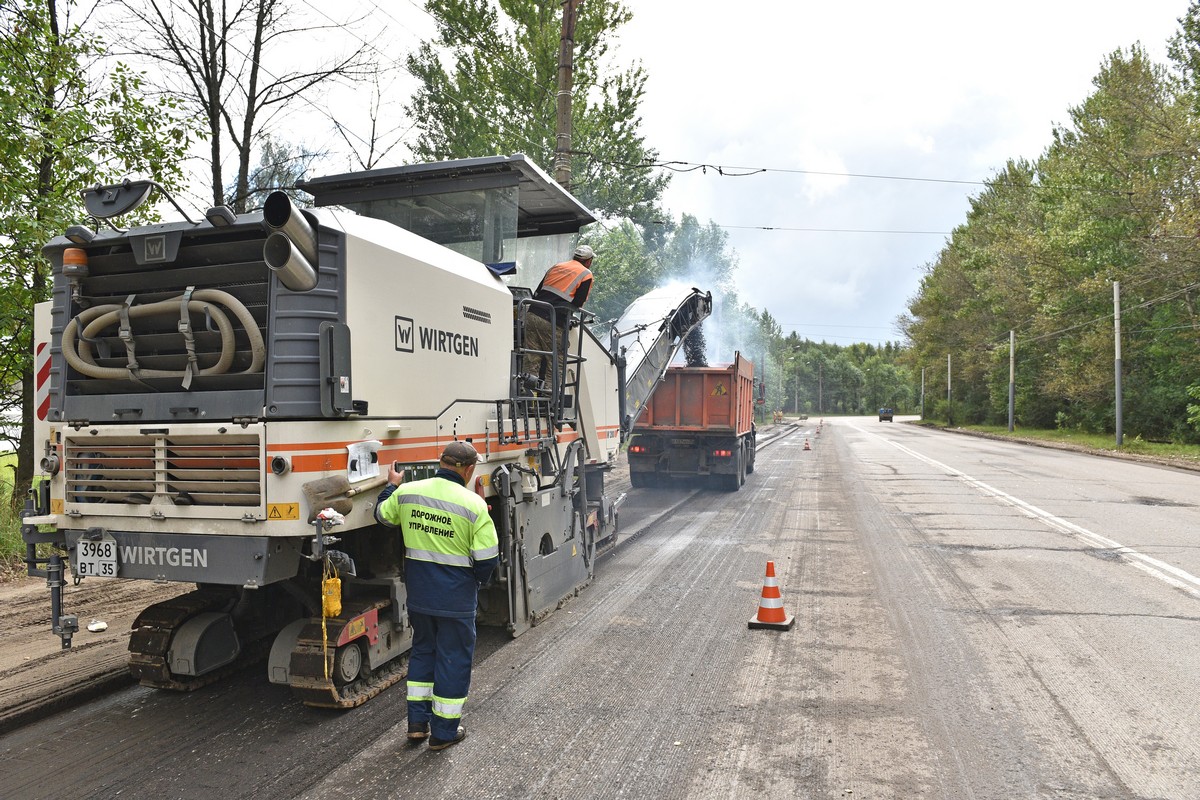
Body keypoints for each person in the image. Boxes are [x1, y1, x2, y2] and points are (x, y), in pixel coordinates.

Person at [373, 441, 499, 751]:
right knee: (453, 659)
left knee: (424, 652)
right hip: (455, 599)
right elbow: (487, 559)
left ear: (440, 462)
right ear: (468, 470)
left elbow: (382, 516)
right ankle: (444, 733)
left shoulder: (409, 492)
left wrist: (391, 487)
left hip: (420, 595)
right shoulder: (473, 505)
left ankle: (417, 724)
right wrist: (475, 583)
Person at [522, 244, 595, 387]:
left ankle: (528, 393)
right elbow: (578, 303)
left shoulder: (557, 266)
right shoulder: (586, 274)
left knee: (532, 356)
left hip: (532, 313)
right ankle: (551, 397)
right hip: (552, 320)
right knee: (556, 360)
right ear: (588, 261)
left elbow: (537, 292)